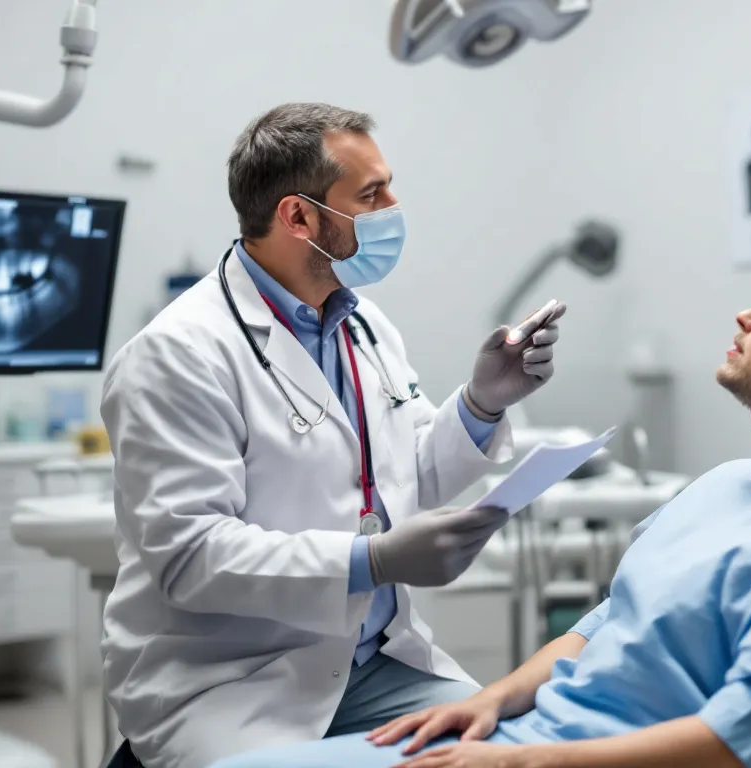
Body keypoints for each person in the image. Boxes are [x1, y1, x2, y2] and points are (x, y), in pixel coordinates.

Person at [213, 253, 751, 768]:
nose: (746, 313)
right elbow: (601, 625)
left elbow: (738, 742)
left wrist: (525, 764)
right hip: (527, 738)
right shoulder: (724, 482)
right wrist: (490, 702)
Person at [98, 102, 567, 768]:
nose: (394, 206)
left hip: (379, 664)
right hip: (231, 685)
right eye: (372, 194)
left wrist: (482, 403)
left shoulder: (364, 325)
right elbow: (190, 559)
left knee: (513, 754)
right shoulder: (177, 354)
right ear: (298, 217)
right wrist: (371, 562)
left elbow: (405, 475)